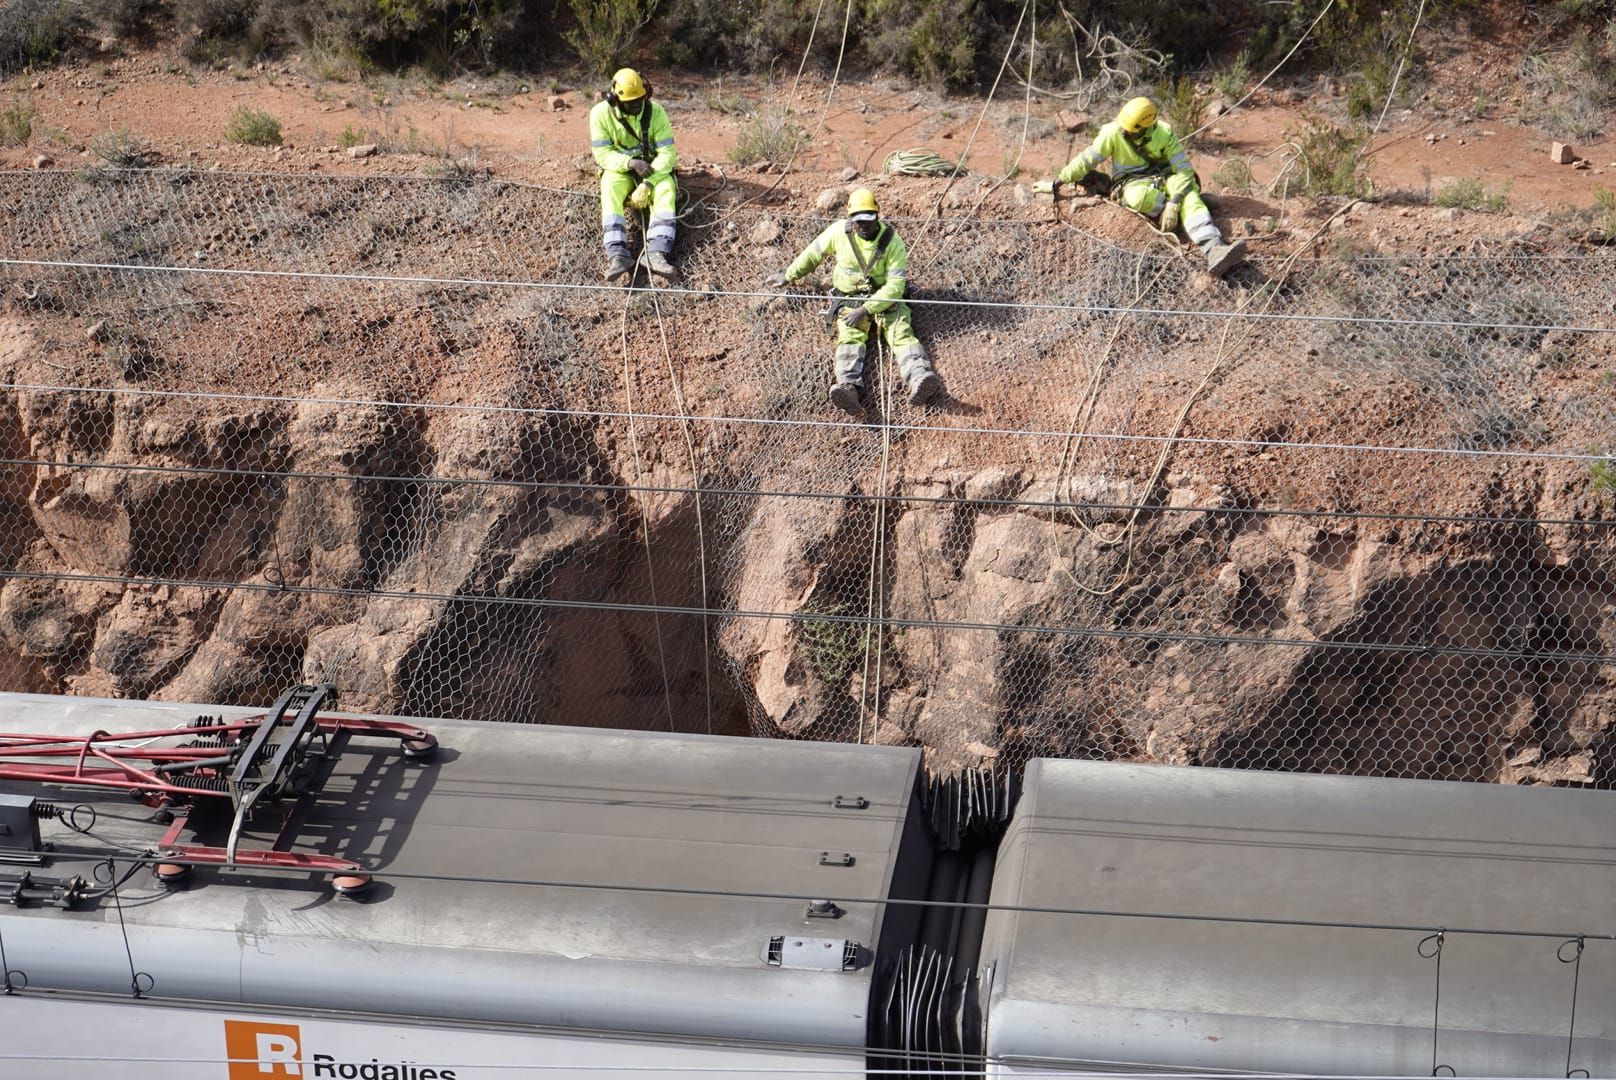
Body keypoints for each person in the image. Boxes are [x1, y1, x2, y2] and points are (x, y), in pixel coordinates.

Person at [767, 188, 941, 414]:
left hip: (885, 300)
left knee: (901, 332)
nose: (865, 226)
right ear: (851, 219)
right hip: (850, 300)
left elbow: (895, 286)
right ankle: (848, 388)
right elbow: (813, 254)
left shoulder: (892, 241)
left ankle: (919, 378)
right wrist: (789, 275)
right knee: (850, 335)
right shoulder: (838, 232)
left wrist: (867, 309)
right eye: (859, 221)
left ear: (877, 215)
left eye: (869, 219)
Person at [1036, 96, 1245, 277]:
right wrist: (1057, 183)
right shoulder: (1112, 132)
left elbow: (1183, 170)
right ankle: (1189, 209)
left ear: (1146, 127)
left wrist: (1175, 201)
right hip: (1132, 182)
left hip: (1166, 176)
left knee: (1186, 194)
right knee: (1139, 198)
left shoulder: (1164, 132)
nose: (1124, 133)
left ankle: (1213, 248)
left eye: (1130, 131)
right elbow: (1087, 159)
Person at [589, 67, 678, 281]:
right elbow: (602, 154)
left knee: (666, 188)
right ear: (615, 100)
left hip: (652, 169)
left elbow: (667, 153)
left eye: (640, 99)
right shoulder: (600, 114)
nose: (637, 105)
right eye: (631, 102)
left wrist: (648, 183)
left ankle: (657, 252)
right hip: (621, 169)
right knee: (609, 186)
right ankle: (617, 254)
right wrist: (630, 162)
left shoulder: (655, 112)